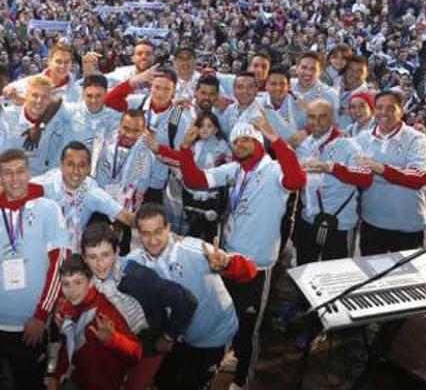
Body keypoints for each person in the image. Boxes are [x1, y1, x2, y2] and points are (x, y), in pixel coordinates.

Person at [155, 117, 306, 386]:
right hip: (226, 260)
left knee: (247, 331)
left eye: (247, 138)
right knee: (223, 321)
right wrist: (187, 149)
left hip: (257, 267)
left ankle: (241, 382)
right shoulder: (235, 170)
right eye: (236, 140)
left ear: (258, 142)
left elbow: (296, 180)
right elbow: (196, 180)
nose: (240, 144)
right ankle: (217, 377)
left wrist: (275, 138)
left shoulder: (274, 170)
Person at [0, 149, 71, 390]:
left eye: (20, 171)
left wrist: (42, 315)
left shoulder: (48, 209)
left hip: (30, 323)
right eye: (7, 173)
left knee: (28, 383)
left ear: (29, 173)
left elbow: (60, 263)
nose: (15, 179)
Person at [128, 203, 257, 390]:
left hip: (215, 335)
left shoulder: (195, 250)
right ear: (139, 234)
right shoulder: (138, 261)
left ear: (168, 228)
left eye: (158, 232)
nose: (153, 240)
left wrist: (227, 264)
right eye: (146, 234)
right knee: (168, 382)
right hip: (182, 336)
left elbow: (250, 271)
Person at [80, 221, 197, 390]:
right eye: (92, 257)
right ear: (84, 258)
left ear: (117, 252)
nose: (99, 264)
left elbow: (188, 300)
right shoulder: (83, 279)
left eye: (105, 255)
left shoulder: (140, 279)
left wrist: (168, 336)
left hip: (147, 347)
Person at [294, 100, 373, 264]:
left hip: (339, 225)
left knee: (336, 277)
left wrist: (329, 167)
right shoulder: (303, 145)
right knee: (305, 273)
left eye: (322, 117)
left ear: (332, 119)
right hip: (308, 220)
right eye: (311, 117)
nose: (316, 122)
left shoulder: (349, 145)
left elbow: (366, 177)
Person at [355, 91, 426, 254]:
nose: (384, 113)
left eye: (390, 108)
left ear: (401, 111)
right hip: (371, 223)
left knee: (406, 279)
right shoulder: (362, 138)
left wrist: (381, 168)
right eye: (379, 108)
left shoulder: (416, 139)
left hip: (407, 226)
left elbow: (419, 178)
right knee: (372, 277)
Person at [50, 254, 142, 390]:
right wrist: (56, 376)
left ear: (91, 281)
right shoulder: (67, 309)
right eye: (66, 284)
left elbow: (137, 353)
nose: (72, 290)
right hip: (77, 379)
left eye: (78, 282)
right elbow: (67, 345)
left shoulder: (105, 311)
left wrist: (112, 339)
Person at [103, 67, 194, 204]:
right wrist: (134, 81)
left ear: (174, 91)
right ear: (150, 86)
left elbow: (183, 159)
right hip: (123, 178)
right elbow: (109, 100)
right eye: (157, 87)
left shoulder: (177, 117)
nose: (160, 93)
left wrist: (160, 149)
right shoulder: (139, 103)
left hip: (153, 187)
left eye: (166, 89)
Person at [33, 141, 133, 251]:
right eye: (70, 164)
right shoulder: (43, 185)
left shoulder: (91, 191)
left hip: (72, 257)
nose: (76, 171)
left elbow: (125, 216)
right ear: (61, 165)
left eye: (82, 165)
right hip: (41, 252)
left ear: (88, 168)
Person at [174, 112, 232, 241]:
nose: (204, 129)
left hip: (212, 195)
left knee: (210, 230)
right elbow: (183, 162)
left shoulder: (221, 145)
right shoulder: (192, 145)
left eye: (209, 126)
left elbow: (231, 163)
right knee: (193, 226)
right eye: (201, 126)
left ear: (215, 129)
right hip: (191, 193)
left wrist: (222, 163)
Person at [1, 75, 71, 176]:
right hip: (11, 179)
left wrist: (40, 126)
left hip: (40, 180)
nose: (39, 101)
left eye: (45, 97)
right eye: (34, 95)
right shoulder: (7, 117)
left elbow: (58, 99)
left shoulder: (55, 118)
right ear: (26, 96)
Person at [94, 110, 154, 216]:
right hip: (99, 205)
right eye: (126, 128)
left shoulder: (143, 154)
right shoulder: (105, 142)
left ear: (143, 131)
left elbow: (135, 186)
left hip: (125, 212)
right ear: (119, 126)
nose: (129, 135)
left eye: (136, 131)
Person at [60, 74, 122, 159]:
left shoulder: (116, 119)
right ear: (83, 94)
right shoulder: (69, 111)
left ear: (106, 94)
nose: (93, 101)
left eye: (98, 96)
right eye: (89, 96)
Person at [6, 43, 82, 103]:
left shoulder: (78, 93)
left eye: (66, 62)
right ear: (49, 62)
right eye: (58, 61)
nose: (62, 66)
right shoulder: (29, 82)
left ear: (71, 63)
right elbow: (7, 91)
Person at [292, 51, 340, 123]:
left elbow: (334, 127)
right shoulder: (286, 87)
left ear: (320, 72)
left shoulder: (330, 96)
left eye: (313, 69)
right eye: (304, 67)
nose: (308, 73)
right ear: (297, 68)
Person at [217, 71, 264, 136]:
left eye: (250, 87)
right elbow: (222, 133)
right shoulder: (229, 110)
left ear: (256, 90)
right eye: (240, 87)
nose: (245, 91)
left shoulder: (264, 112)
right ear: (234, 90)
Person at [336, 55, 370, 129]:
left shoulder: (367, 96)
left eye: (360, 71)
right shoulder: (335, 82)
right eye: (351, 69)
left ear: (366, 74)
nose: (354, 74)